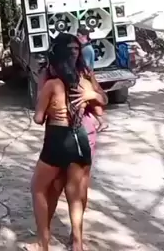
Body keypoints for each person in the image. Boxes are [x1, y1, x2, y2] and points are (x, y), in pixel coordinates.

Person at [23, 33, 106, 251]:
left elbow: (38, 118)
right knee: (75, 193)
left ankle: (43, 243)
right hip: (80, 137)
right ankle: (77, 243)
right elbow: (99, 109)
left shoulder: (52, 84)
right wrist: (92, 98)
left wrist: (47, 109)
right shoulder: (84, 81)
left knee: (39, 188)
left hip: (57, 138)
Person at [76, 27, 108, 132]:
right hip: (88, 77)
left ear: (84, 36)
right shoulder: (88, 47)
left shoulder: (86, 50)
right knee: (91, 102)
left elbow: (85, 66)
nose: (77, 37)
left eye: (78, 35)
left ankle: (78, 125)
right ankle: (102, 122)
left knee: (84, 100)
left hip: (86, 78)